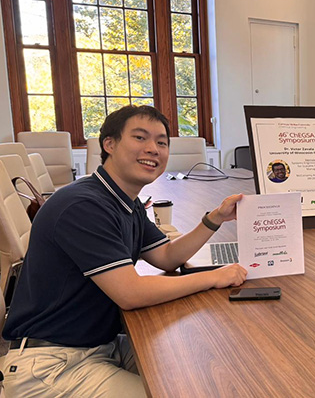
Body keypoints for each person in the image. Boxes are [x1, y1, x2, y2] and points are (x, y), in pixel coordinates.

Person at [2, 105, 248, 397]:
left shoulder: (124, 202)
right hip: (52, 365)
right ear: (110, 144)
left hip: (98, 345)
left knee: (204, 373)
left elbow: (167, 257)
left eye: (161, 142)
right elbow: (131, 294)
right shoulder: (84, 206)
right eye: (140, 138)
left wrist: (215, 218)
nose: (153, 149)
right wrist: (214, 277)